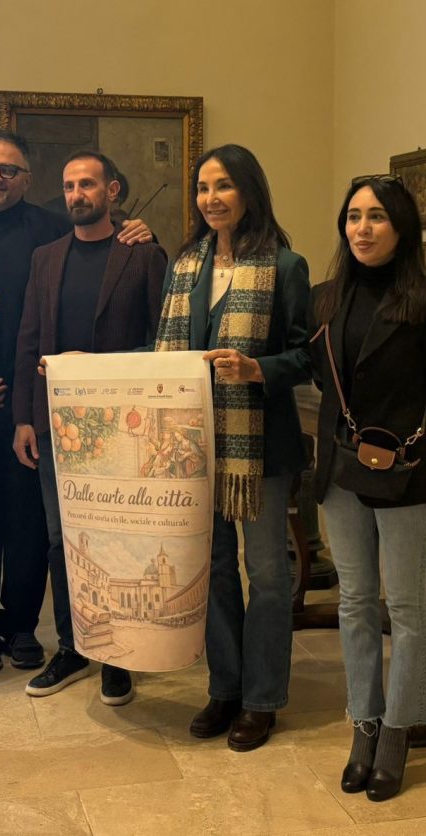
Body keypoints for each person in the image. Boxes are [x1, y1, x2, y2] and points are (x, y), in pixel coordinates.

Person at [0, 131, 151, 674]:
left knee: (30, 521)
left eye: (8, 170)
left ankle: (25, 625)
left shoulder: (51, 231)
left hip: (35, 401)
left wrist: (143, 230)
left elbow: (103, 247)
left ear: (26, 180)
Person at [308, 175, 426, 801]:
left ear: (401, 228)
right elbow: (323, 381)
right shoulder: (325, 299)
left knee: (404, 604)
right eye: (353, 217)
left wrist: (423, 454)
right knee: (355, 602)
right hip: (342, 468)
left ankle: (399, 730)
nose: (362, 228)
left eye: (376, 216)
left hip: (407, 470)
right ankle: (364, 725)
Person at [155, 144, 311, 751]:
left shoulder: (286, 266)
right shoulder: (184, 267)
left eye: (223, 186)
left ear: (249, 191)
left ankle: (262, 699)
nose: (211, 198)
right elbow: (164, 353)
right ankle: (224, 688)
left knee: (267, 574)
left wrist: (257, 369)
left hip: (260, 450)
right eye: (202, 187)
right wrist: (84, 363)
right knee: (214, 569)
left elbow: (305, 356)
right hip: (192, 446)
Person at [12, 150, 167, 705]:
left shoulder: (144, 255)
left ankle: (117, 657)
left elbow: (161, 340)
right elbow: (29, 338)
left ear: (113, 190)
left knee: (117, 543)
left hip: (122, 428)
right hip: (56, 426)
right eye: (69, 186)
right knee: (63, 540)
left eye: (88, 184)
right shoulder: (46, 258)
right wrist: (24, 418)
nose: (77, 194)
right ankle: (73, 647)